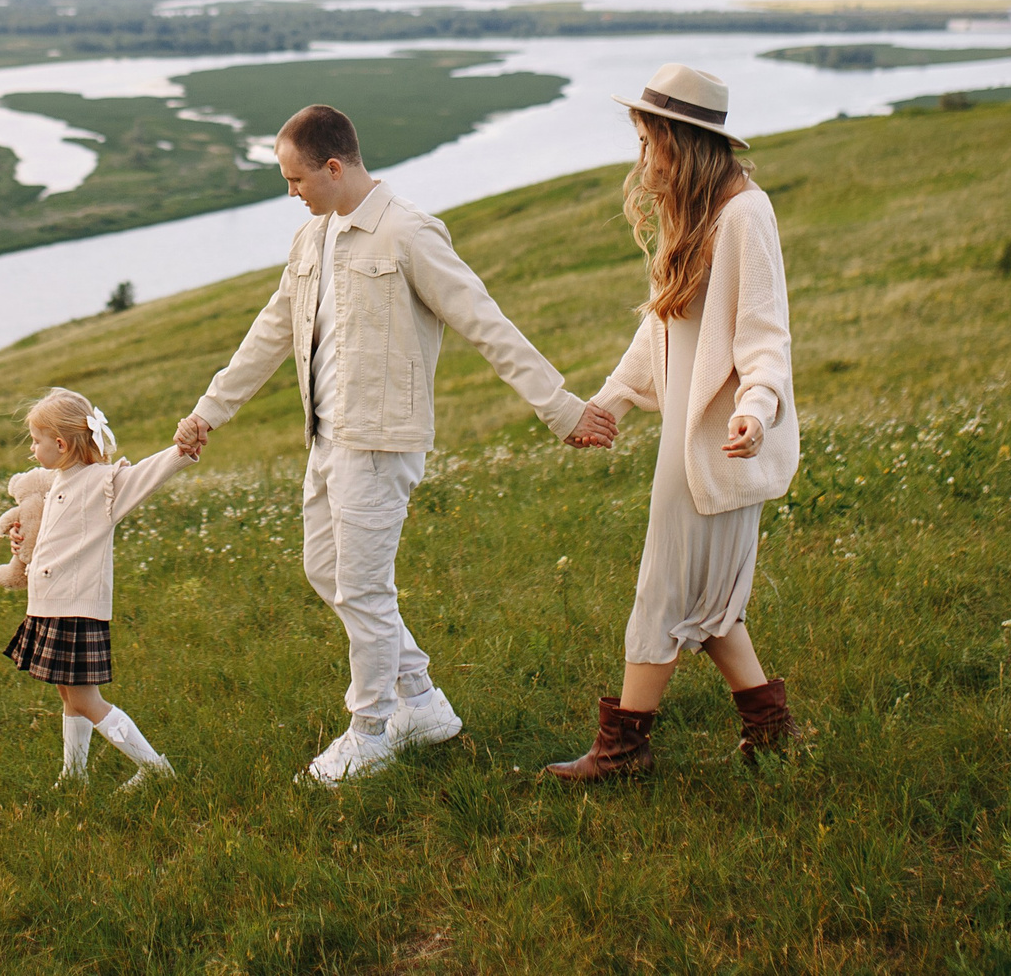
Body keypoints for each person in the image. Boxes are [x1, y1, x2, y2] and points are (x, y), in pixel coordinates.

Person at [175, 103, 616, 786]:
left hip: (382, 443)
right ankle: (423, 701)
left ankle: (372, 730)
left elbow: (485, 321)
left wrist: (562, 409)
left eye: (295, 178)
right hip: (327, 438)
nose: (289, 191)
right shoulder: (310, 239)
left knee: (364, 586)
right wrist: (210, 409)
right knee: (328, 572)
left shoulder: (408, 232)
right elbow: (269, 331)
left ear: (334, 165)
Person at [545, 63, 802, 783]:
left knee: (663, 594)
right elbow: (662, 327)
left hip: (721, 441)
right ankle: (771, 731)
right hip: (688, 445)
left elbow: (764, 336)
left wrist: (754, 413)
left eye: (649, 137)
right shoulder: (693, 211)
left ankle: (623, 750)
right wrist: (611, 401)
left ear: (682, 141)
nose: (642, 155)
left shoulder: (746, 214)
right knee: (713, 606)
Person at [2, 388, 192, 788]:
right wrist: (25, 544)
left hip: (75, 609)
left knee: (87, 700)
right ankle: (74, 774)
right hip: (49, 606)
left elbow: (145, 475)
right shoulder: (56, 481)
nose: (32, 449)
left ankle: (157, 771)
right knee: (68, 696)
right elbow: (50, 535)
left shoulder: (102, 483)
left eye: (36, 441)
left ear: (60, 443)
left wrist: (181, 451)